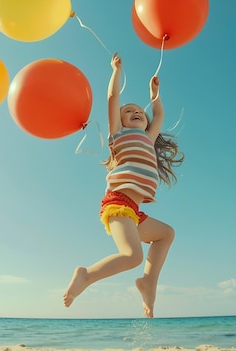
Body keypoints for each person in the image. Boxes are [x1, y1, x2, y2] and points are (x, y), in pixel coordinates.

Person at [63, 52, 184, 318]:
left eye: (140, 111)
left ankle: (148, 283)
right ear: (119, 121)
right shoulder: (119, 134)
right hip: (118, 203)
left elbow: (159, 115)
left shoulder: (148, 137)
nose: (136, 112)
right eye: (129, 112)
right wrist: (115, 71)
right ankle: (86, 275)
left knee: (166, 234)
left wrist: (154, 94)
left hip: (135, 211)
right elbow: (112, 98)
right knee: (132, 256)